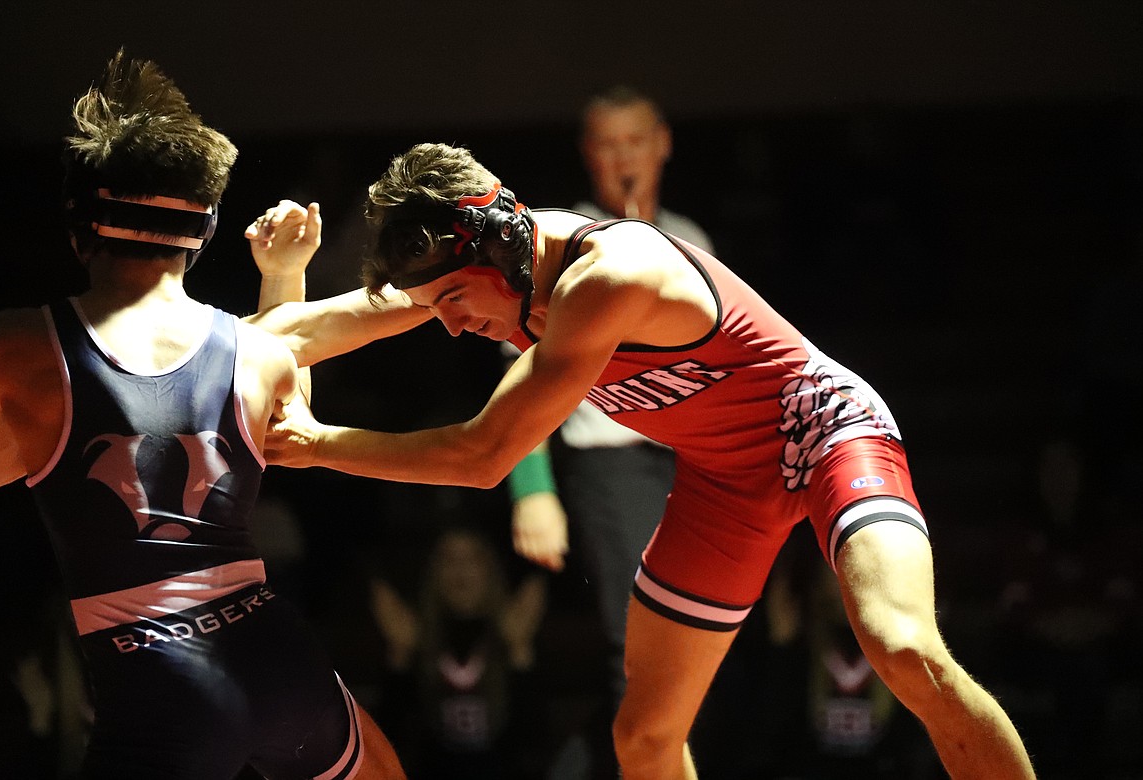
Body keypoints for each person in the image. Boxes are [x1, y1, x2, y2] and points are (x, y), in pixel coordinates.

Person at [251, 142, 1036, 779]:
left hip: (825, 431)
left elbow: (483, 454)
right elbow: (298, 337)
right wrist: (280, 278)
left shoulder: (610, 275)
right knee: (646, 738)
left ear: (498, 246)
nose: (451, 328)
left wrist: (315, 445)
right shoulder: (489, 272)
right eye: (433, 311)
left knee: (900, 647)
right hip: (724, 480)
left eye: (452, 301)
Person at [0, 51, 405, 779]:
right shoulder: (256, 353)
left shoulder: (18, 345)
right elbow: (286, 437)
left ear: (81, 226)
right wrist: (282, 277)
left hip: (151, 677)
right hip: (272, 652)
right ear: (201, 231)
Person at [504, 85, 712, 775]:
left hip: (691, 463)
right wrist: (533, 488)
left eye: (636, 140)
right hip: (612, 463)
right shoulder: (568, 240)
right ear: (588, 154)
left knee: (694, 647)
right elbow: (524, 373)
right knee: (645, 649)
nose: (624, 157)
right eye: (608, 143)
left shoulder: (691, 238)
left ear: (664, 144)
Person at [370, 524, 548, 779]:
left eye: (472, 557)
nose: (460, 569)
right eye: (448, 559)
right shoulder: (416, 636)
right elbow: (394, 743)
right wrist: (399, 657)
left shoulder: (510, 631)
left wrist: (521, 656)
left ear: (491, 568)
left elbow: (534, 747)